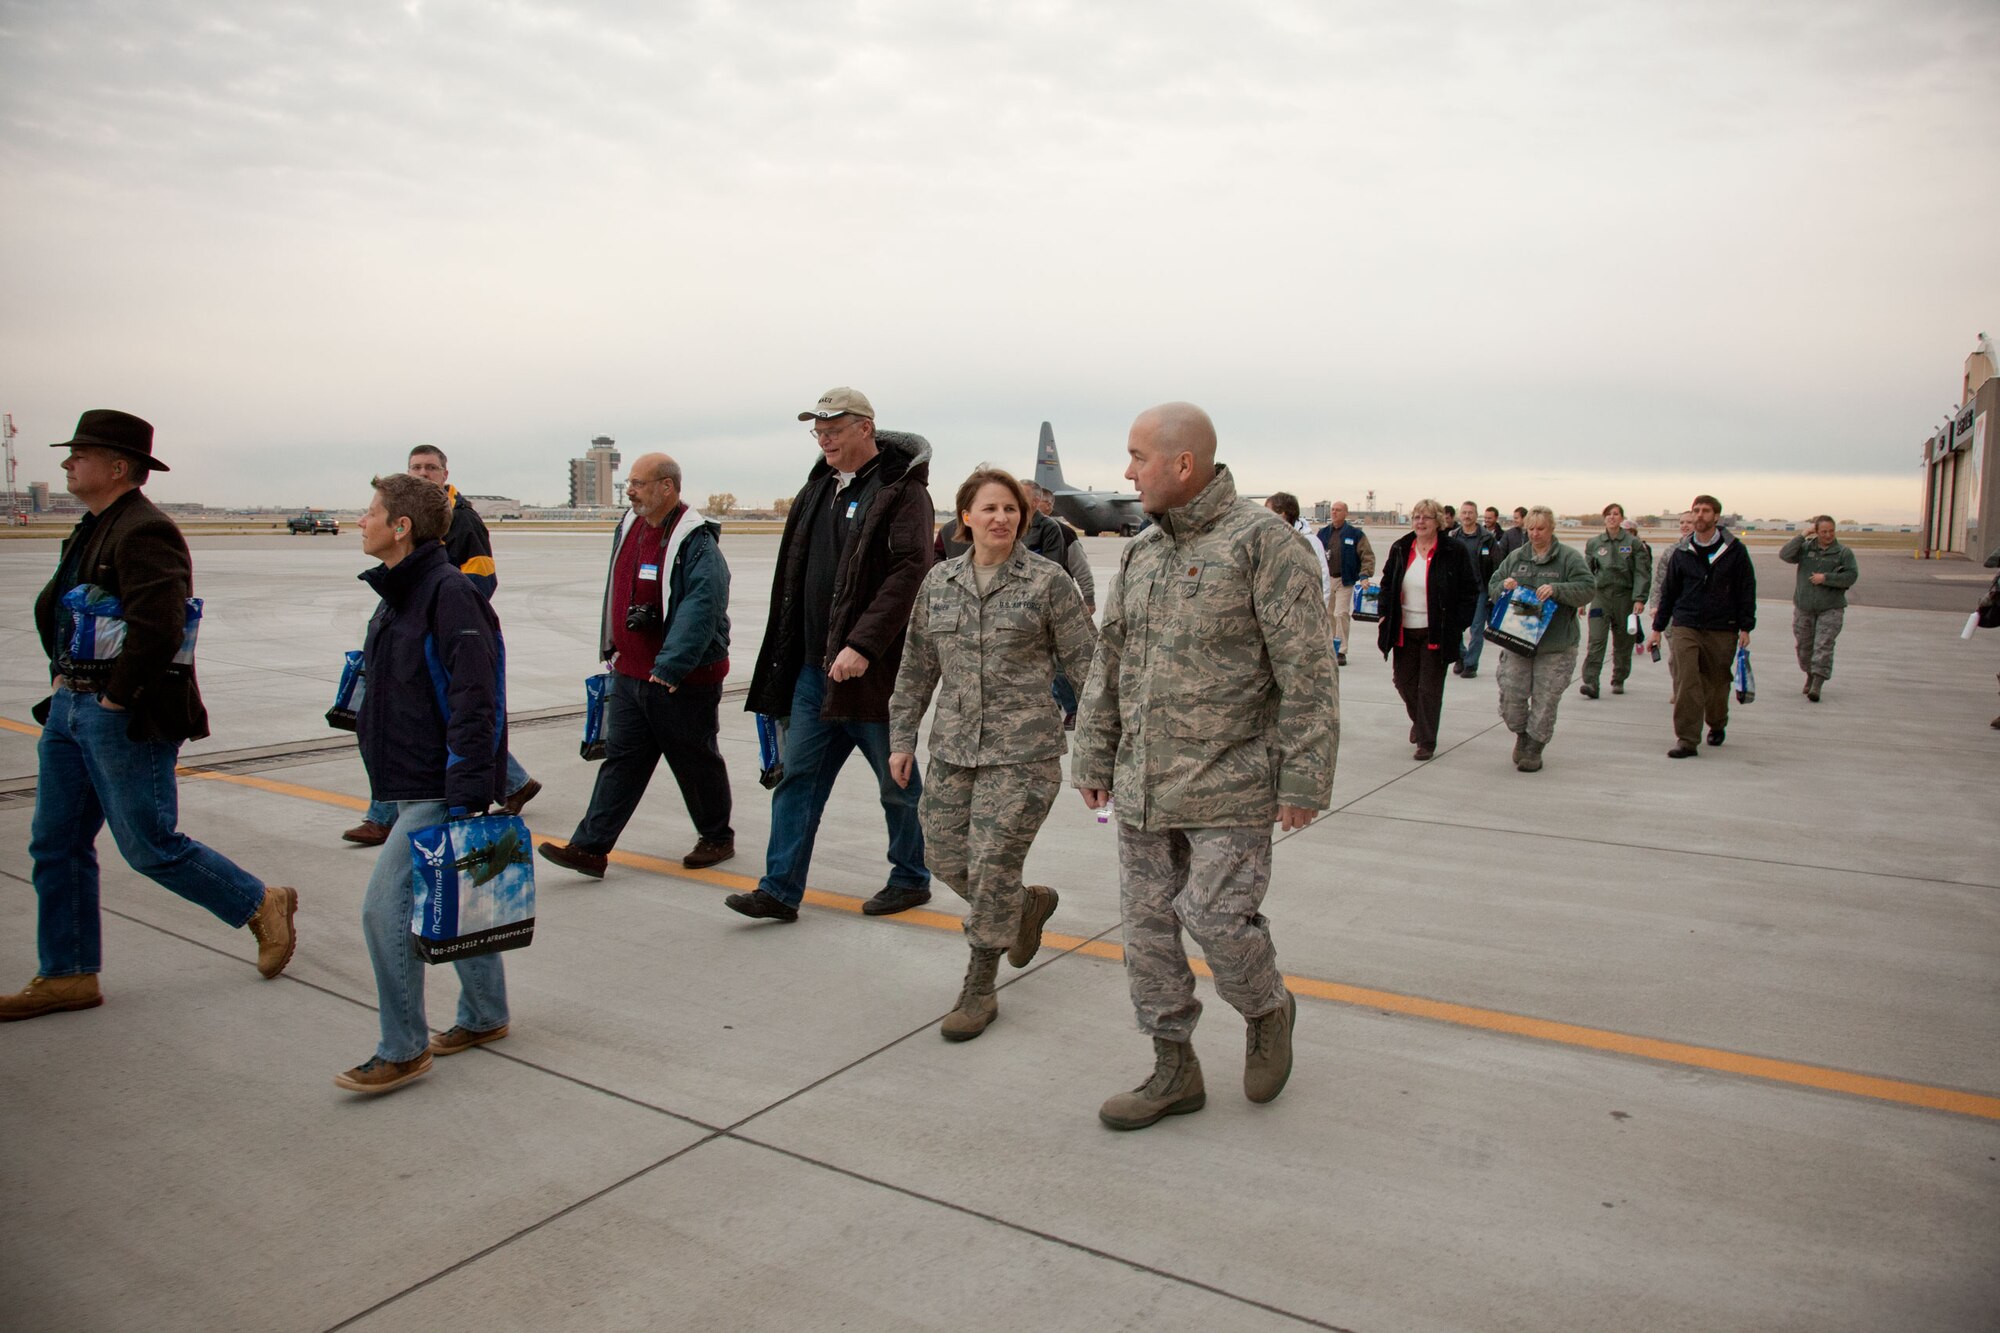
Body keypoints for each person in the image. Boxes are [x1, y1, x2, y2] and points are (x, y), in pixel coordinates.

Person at [1074, 403, 1337, 1131]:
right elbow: (1112, 658)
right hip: (1143, 782)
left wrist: (1304, 777)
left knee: (1217, 918)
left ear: (1181, 464)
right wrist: (1093, 748)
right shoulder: (1141, 551)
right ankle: (1173, 1069)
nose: (1128, 472)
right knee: (1149, 931)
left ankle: (1266, 1006)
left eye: (1137, 457)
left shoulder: (1264, 543)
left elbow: (1308, 669)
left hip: (1231, 779)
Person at [7, 410, 298, 1022]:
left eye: (78, 455)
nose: (66, 464)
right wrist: (65, 681)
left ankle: (259, 901)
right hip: (70, 708)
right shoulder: (93, 526)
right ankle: (68, 973)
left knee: (149, 845)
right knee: (54, 844)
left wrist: (114, 697)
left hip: (120, 714)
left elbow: (160, 625)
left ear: (118, 467)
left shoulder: (144, 530)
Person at [888, 468, 1098, 1040]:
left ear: (1023, 520)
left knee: (990, 862)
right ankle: (1024, 907)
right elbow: (914, 668)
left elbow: (1089, 670)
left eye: (1011, 509)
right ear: (966, 518)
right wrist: (902, 737)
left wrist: (1105, 751)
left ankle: (979, 985)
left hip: (1023, 754)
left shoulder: (1049, 582)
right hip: (953, 749)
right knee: (942, 853)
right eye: (990, 509)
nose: (1001, 518)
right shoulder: (939, 583)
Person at [732, 388, 934, 922]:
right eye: (818, 429)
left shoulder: (901, 491)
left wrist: (863, 644)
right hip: (811, 674)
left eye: (835, 428)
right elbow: (791, 581)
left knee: (898, 785)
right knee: (798, 781)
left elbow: (908, 574)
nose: (824, 437)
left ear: (865, 428)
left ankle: (911, 876)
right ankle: (779, 889)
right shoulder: (817, 488)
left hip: (873, 677)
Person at [337, 473, 511, 1093]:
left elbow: (476, 700)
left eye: (370, 512)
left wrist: (465, 796)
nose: (361, 520)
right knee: (459, 901)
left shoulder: (449, 594)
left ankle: (403, 1047)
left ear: (401, 526)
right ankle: (487, 1014)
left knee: (384, 913)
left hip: (439, 788)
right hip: (412, 783)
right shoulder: (399, 593)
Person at [538, 454, 734, 878]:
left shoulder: (696, 541)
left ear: (667, 487)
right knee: (622, 761)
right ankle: (590, 848)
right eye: (630, 482)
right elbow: (618, 587)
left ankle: (717, 837)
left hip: (679, 680)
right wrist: (612, 646)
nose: (631, 490)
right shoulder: (628, 526)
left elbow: (703, 607)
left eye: (640, 483)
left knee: (695, 761)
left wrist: (671, 667)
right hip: (630, 674)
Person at [342, 445, 538, 845]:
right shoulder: (396, 586)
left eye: (430, 467)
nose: (423, 472)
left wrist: (455, 607)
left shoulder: (460, 528)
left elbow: (482, 580)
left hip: (430, 780)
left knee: (453, 716)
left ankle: (382, 815)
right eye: (416, 467)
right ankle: (513, 782)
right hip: (413, 765)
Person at [1488, 507, 1595, 771]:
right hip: (1518, 641)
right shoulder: (1516, 557)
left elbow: (1588, 588)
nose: (1535, 534)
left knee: (1545, 698)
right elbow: (1493, 585)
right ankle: (1521, 735)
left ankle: (1535, 746)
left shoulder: (1568, 558)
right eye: (1531, 529)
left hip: (1555, 644)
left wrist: (1558, 590)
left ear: (1552, 528)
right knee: (1512, 694)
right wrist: (1505, 586)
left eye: (1541, 529)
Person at [1648, 495, 1756, 758]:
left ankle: (1717, 723)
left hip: (1723, 627)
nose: (1699, 515)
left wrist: (1745, 627)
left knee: (1717, 682)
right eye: (1696, 510)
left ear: (1716, 516)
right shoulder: (1682, 551)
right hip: (1687, 624)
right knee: (1687, 680)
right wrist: (1658, 629)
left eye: (1705, 511)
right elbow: (1669, 591)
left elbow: (1746, 589)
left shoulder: (1735, 550)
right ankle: (1686, 739)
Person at [1375, 499, 1479, 760]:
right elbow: (1388, 584)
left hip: (1436, 632)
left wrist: (1458, 623)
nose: (1420, 522)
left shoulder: (1453, 550)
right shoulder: (1401, 547)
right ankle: (1421, 723)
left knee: (1430, 689)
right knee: (1403, 681)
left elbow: (1470, 591)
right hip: (1404, 630)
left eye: (1426, 518)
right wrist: (1384, 614)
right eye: (1416, 517)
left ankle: (1426, 741)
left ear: (1438, 522)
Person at [1779, 516, 1858, 702]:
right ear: (1816, 531)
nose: (1828, 535)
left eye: (1831, 531)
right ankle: (1809, 674)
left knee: (1823, 646)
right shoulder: (1806, 548)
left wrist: (1827, 578)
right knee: (1804, 647)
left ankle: (1817, 684)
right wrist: (1802, 535)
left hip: (1830, 608)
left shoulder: (1843, 553)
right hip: (1804, 607)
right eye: (1823, 531)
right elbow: (1785, 555)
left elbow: (1851, 576)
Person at [1580, 503, 1653, 699]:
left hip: (1624, 597)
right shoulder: (1595, 543)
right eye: (1608, 514)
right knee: (1596, 640)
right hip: (1600, 596)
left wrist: (1639, 598)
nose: (1612, 517)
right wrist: (1582, 600)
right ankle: (1591, 682)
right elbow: (1586, 573)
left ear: (1621, 518)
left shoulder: (1633, 543)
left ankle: (1618, 678)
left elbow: (1642, 573)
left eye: (1616, 514)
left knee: (1623, 642)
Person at [1315, 500, 1375, 665]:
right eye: (1333, 510)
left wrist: (1364, 575)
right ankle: (1330, 647)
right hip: (1327, 580)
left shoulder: (1355, 534)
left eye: (1338, 510)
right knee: (1328, 615)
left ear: (1346, 513)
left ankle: (1341, 650)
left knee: (1340, 614)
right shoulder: (1323, 533)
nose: (1334, 512)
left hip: (1344, 580)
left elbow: (1367, 556)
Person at [1447, 500, 1501, 678]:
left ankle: (1471, 664)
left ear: (1476, 515)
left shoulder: (1487, 538)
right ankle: (1461, 657)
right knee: (1454, 625)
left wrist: (1494, 589)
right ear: (1459, 515)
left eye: (1470, 513)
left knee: (1476, 628)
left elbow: (1496, 565)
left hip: (1479, 589)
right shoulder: (1453, 536)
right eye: (1464, 513)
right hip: (1457, 590)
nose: (1467, 516)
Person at [1265, 492, 1332, 605]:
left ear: (1283, 514)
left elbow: (1323, 578)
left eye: (1268, 512)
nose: (1265, 516)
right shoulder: (1269, 540)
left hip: (1302, 611)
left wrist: (1320, 610)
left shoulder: (1309, 541)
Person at [1651, 510, 1693, 610]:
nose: (1684, 525)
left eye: (1689, 522)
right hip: (1673, 605)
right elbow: (1660, 580)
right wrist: (1655, 605)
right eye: (1682, 522)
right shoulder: (1671, 550)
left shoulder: (1703, 550)